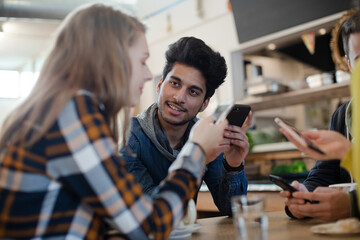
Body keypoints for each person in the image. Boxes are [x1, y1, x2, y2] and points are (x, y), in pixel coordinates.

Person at [0, 4, 229, 240]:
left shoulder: (59, 109)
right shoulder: (74, 115)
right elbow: (149, 226)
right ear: (111, 60)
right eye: (142, 61)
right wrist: (197, 150)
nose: (149, 75)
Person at [120, 37, 251, 216]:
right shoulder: (129, 137)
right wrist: (198, 154)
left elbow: (233, 209)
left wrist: (233, 164)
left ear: (204, 104)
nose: (180, 97)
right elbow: (152, 214)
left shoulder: (205, 134)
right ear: (159, 86)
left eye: (193, 92)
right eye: (175, 83)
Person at [280, 10, 360, 221]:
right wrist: (303, 196)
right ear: (349, 64)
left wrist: (353, 205)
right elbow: (325, 172)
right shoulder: (343, 116)